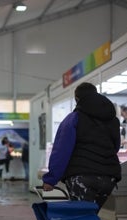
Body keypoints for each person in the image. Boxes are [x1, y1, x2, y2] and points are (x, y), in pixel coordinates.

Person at [42, 82, 121, 210]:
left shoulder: (74, 118)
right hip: (109, 177)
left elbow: (62, 150)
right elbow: (115, 147)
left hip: (81, 176)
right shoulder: (112, 120)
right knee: (90, 215)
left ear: (77, 99)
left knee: (81, 216)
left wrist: (51, 179)